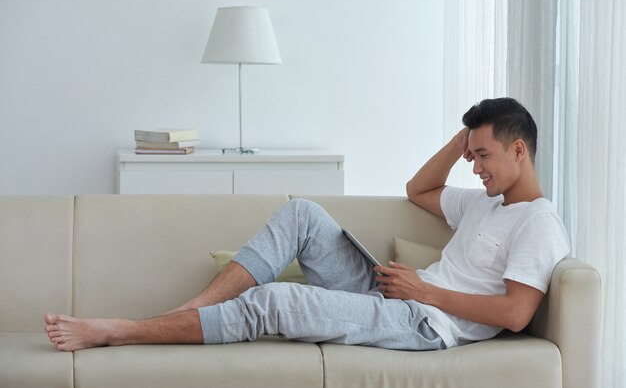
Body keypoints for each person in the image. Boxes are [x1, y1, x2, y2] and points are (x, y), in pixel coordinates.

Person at [44, 97, 569, 352]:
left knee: (276, 301)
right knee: (303, 213)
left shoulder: (539, 223)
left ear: (519, 150)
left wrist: (425, 294)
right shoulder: (484, 203)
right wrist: (461, 141)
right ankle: (187, 314)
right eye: (472, 156)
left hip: (424, 322)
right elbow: (419, 190)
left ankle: (122, 332)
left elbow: (517, 314)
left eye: (483, 156)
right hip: (400, 293)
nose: (476, 168)